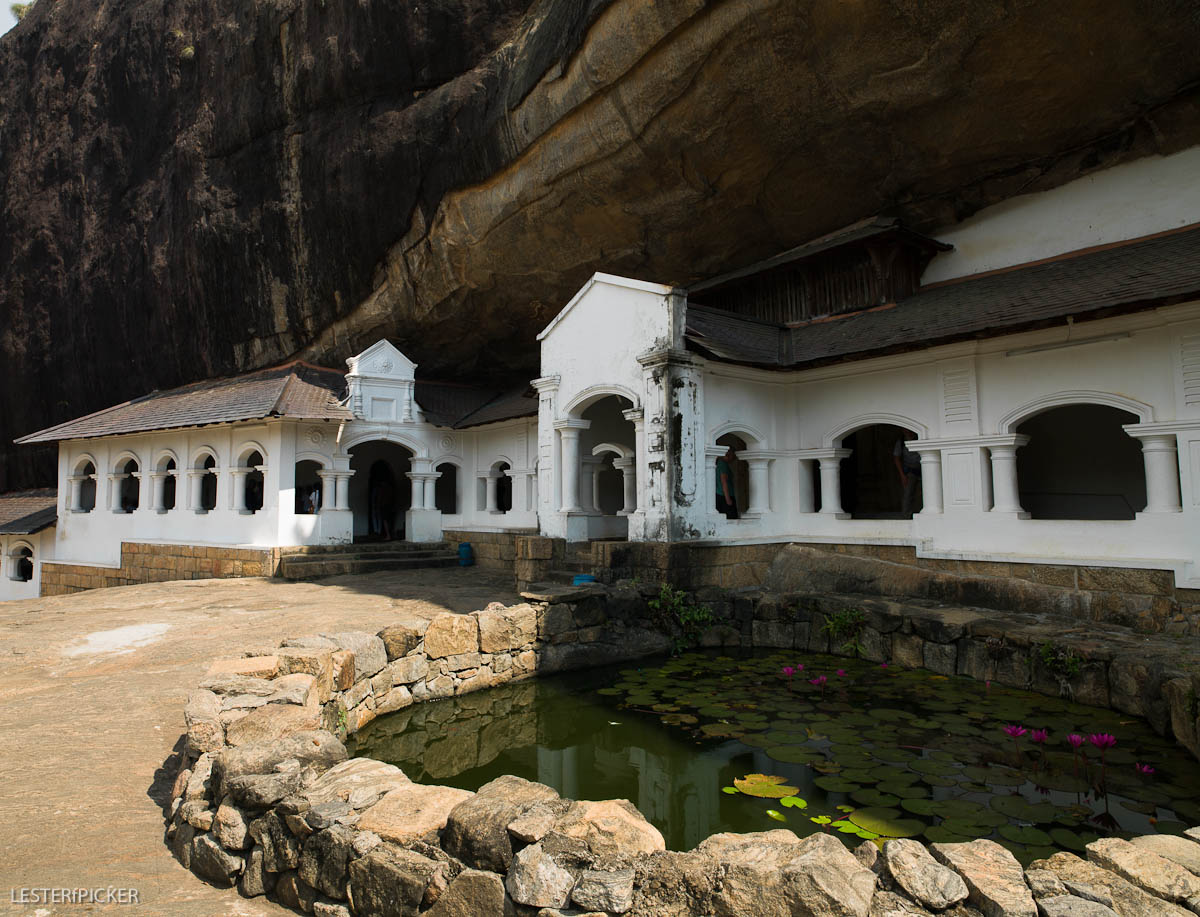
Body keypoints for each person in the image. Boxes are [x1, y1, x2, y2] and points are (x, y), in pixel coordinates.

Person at [892, 432, 922, 516]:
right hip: (909, 470)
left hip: (923, 468)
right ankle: (906, 516)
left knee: (922, 493)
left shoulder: (920, 437)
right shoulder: (901, 441)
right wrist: (902, 475)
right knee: (908, 493)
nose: (908, 432)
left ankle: (920, 514)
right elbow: (896, 457)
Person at [716, 445, 739, 519]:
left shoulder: (719, 463)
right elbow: (724, 482)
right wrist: (728, 499)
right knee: (731, 518)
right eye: (734, 456)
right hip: (724, 496)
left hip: (721, 495)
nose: (733, 459)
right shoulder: (723, 464)